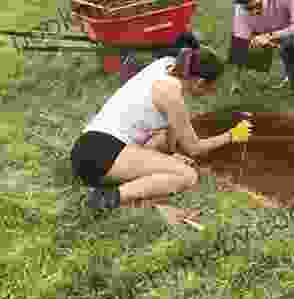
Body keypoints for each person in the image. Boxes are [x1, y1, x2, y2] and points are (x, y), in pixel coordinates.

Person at [70, 32, 254, 210]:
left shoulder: (166, 65)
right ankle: (108, 197)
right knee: (187, 176)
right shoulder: (171, 93)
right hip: (101, 155)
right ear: (199, 82)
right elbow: (194, 148)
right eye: (212, 88)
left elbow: (168, 137)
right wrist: (232, 135)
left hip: (91, 147)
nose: (212, 93)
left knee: (162, 141)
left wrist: (168, 157)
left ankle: (116, 184)